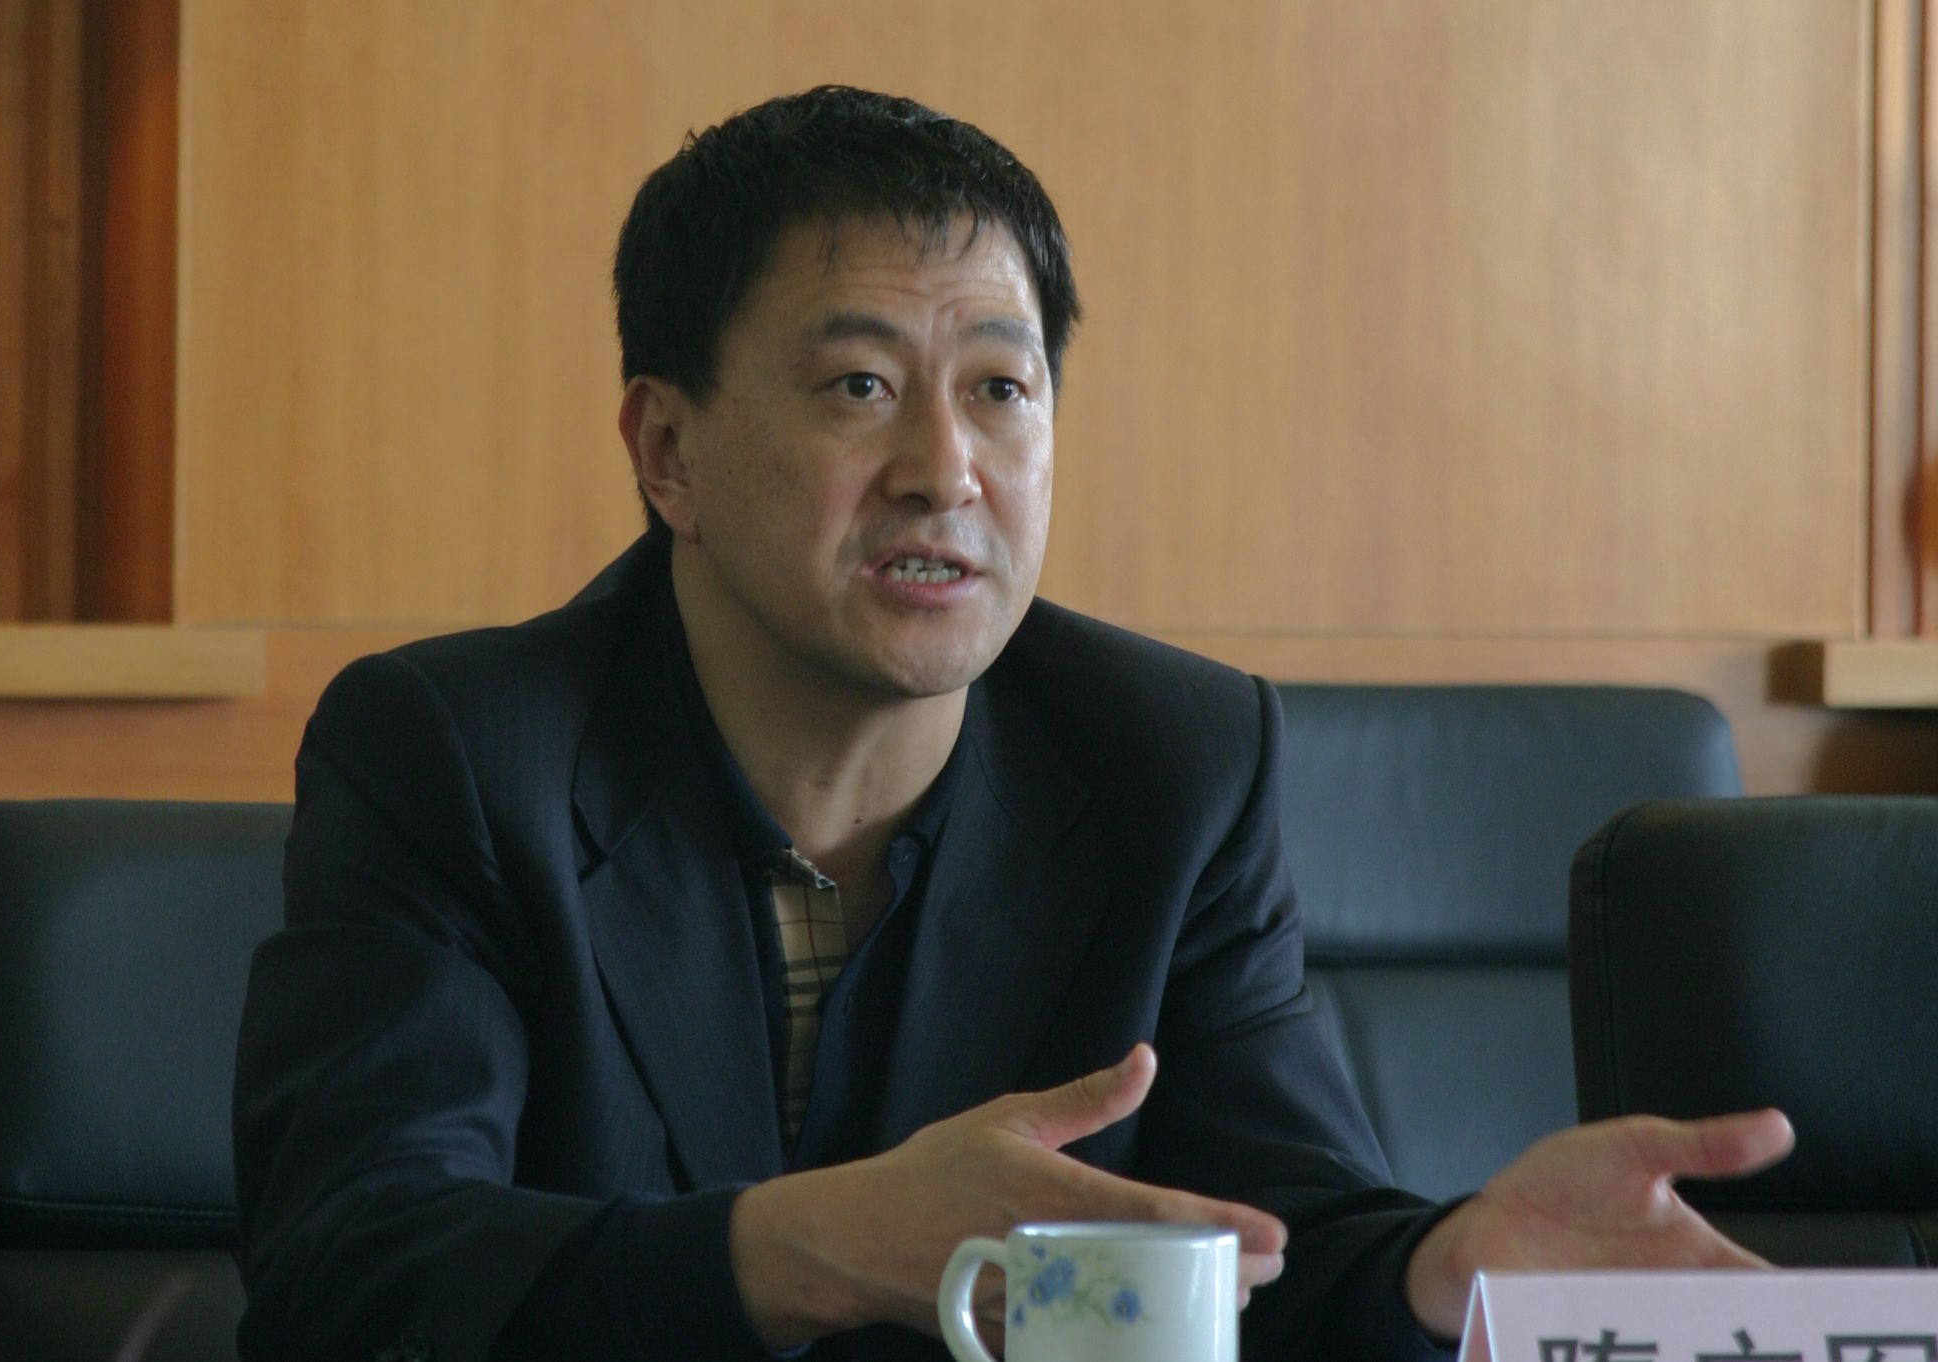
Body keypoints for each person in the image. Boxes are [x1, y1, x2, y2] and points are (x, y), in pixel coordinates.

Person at [231, 86, 1794, 1362]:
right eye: (859, 386)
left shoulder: (1170, 762)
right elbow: (360, 1267)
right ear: (668, 452)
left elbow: (1274, 1240)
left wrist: (1445, 1269)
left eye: (1001, 388)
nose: (944, 469)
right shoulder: (454, 755)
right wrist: (806, 1244)